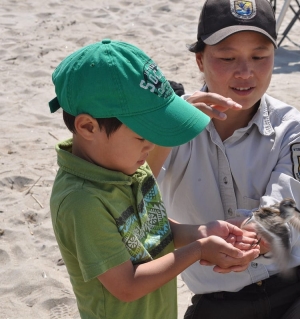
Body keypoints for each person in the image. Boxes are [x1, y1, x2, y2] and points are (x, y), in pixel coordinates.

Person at [148, 0, 300, 318]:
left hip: (298, 290)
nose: (245, 72)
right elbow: (135, 204)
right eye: (227, 57)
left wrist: (242, 238)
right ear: (200, 59)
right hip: (217, 302)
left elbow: (285, 216)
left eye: (259, 56)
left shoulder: (295, 130)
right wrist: (169, 131)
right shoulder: (165, 126)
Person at [48, 39, 260, 319]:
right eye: (142, 136)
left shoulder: (127, 165)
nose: (151, 147)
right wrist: (198, 250)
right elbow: (127, 286)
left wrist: (203, 232)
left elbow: (150, 229)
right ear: (88, 126)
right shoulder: (82, 201)